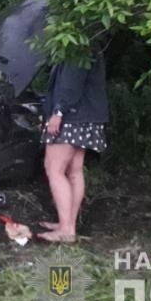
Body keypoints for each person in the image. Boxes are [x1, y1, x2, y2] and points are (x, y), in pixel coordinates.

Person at [38, 51, 109, 243]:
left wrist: (58, 111)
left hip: (72, 117)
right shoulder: (89, 40)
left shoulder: (76, 45)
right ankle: (68, 224)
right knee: (74, 171)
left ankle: (66, 230)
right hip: (86, 116)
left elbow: (71, 84)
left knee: (55, 169)